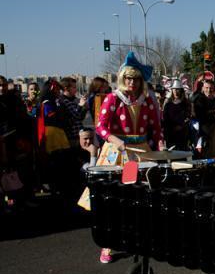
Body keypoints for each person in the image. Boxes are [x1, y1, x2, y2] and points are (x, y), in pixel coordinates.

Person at [81, 52, 164, 263]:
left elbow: (156, 127)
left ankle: (142, 237)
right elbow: (100, 126)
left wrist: (160, 143)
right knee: (112, 198)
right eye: (128, 78)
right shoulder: (113, 98)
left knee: (142, 197)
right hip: (118, 155)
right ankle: (107, 244)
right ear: (122, 78)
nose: (132, 83)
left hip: (141, 153)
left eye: (135, 79)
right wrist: (115, 141)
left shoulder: (147, 101)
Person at [192, 79, 215, 158]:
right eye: (207, 88)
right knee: (204, 154)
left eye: (211, 88)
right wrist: (214, 112)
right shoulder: (199, 99)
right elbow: (199, 114)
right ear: (203, 88)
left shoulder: (214, 99)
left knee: (214, 154)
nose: (209, 90)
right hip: (204, 131)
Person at [58, 77, 87, 148]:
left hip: (78, 135)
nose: (76, 89)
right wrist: (80, 106)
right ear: (65, 88)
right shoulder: (63, 101)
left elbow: (80, 118)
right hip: (71, 137)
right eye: (73, 87)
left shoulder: (73, 100)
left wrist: (84, 108)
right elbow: (74, 117)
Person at [163, 80, 191, 150]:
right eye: (174, 89)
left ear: (181, 90)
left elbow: (188, 116)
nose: (175, 91)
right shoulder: (168, 103)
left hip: (182, 132)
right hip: (170, 133)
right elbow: (165, 118)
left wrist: (182, 125)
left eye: (177, 89)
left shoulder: (186, 103)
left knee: (182, 152)